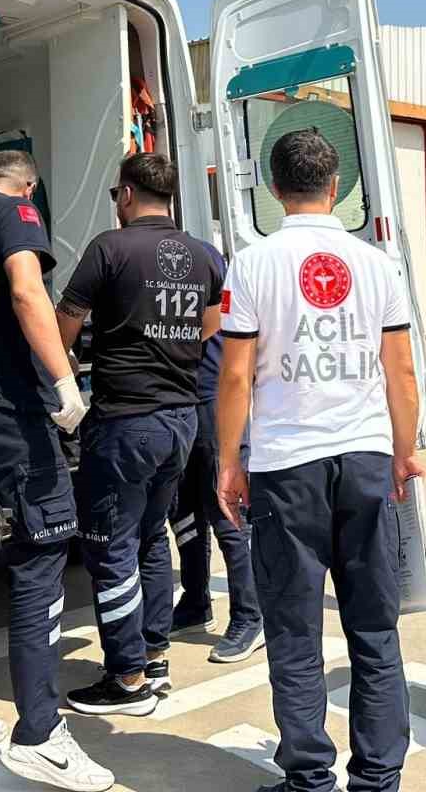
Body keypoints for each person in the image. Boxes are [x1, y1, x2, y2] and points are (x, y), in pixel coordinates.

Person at [215, 128, 425, 792]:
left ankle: (309, 778)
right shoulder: (377, 264)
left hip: (288, 467)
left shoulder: (252, 263)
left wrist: (228, 459)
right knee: (374, 628)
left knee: (294, 630)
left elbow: (236, 377)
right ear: (338, 187)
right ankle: (378, 779)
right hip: (365, 458)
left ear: (274, 191)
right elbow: (401, 374)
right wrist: (404, 451)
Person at [0, 151, 113, 792]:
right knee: (41, 562)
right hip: (14, 420)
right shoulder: (13, 209)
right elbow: (26, 287)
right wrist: (65, 384)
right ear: (29, 182)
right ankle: (39, 732)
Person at [55, 153, 223, 716]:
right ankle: (153, 655)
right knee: (153, 537)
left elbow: (66, 322)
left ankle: (126, 677)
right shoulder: (202, 254)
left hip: (127, 420)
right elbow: (213, 320)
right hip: (181, 417)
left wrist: (60, 378)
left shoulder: (110, 248)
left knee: (109, 545)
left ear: (126, 195)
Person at [169, 240, 266, 663]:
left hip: (213, 400)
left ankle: (250, 614)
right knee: (185, 509)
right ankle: (195, 599)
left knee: (226, 513)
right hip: (181, 396)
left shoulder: (215, 275)